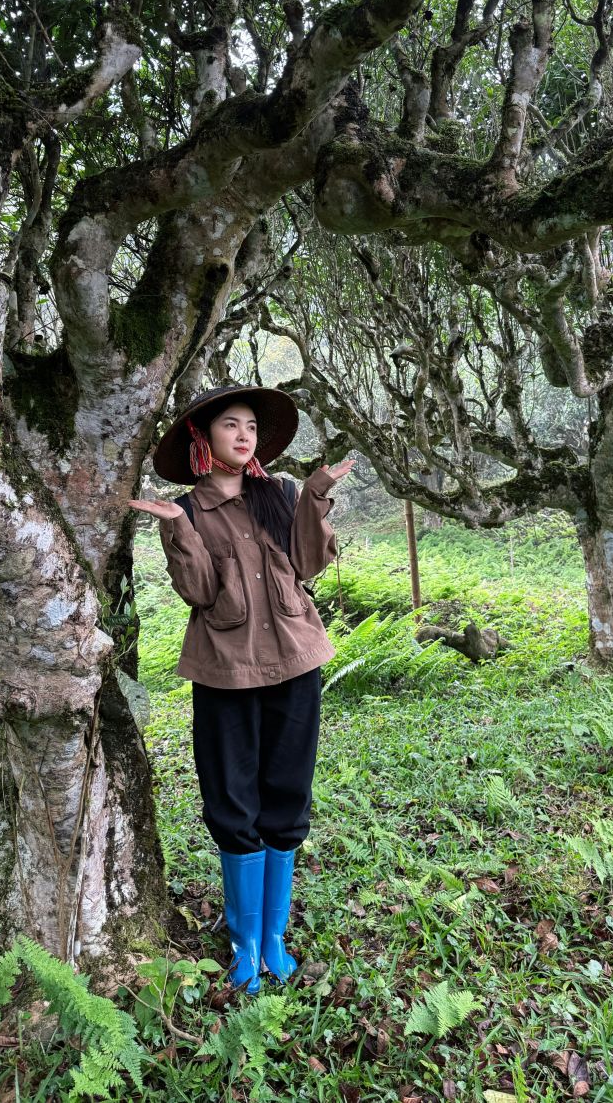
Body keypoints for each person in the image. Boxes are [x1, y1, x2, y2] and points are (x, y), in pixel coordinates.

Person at [129, 384, 353, 993]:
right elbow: (200, 592)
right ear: (204, 438)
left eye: (251, 426)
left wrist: (315, 495)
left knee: (287, 791)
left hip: (296, 660)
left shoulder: (279, 492)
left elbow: (308, 564)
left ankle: (274, 937)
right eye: (231, 424)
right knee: (231, 797)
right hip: (225, 669)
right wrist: (178, 529)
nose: (244, 435)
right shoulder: (189, 510)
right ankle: (245, 944)